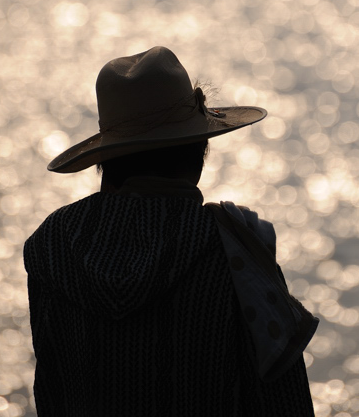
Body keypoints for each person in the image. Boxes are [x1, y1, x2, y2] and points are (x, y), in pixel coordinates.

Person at [24, 46, 318, 416]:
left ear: (106, 160)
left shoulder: (51, 245)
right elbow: (282, 400)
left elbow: (50, 392)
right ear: (198, 151)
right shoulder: (235, 247)